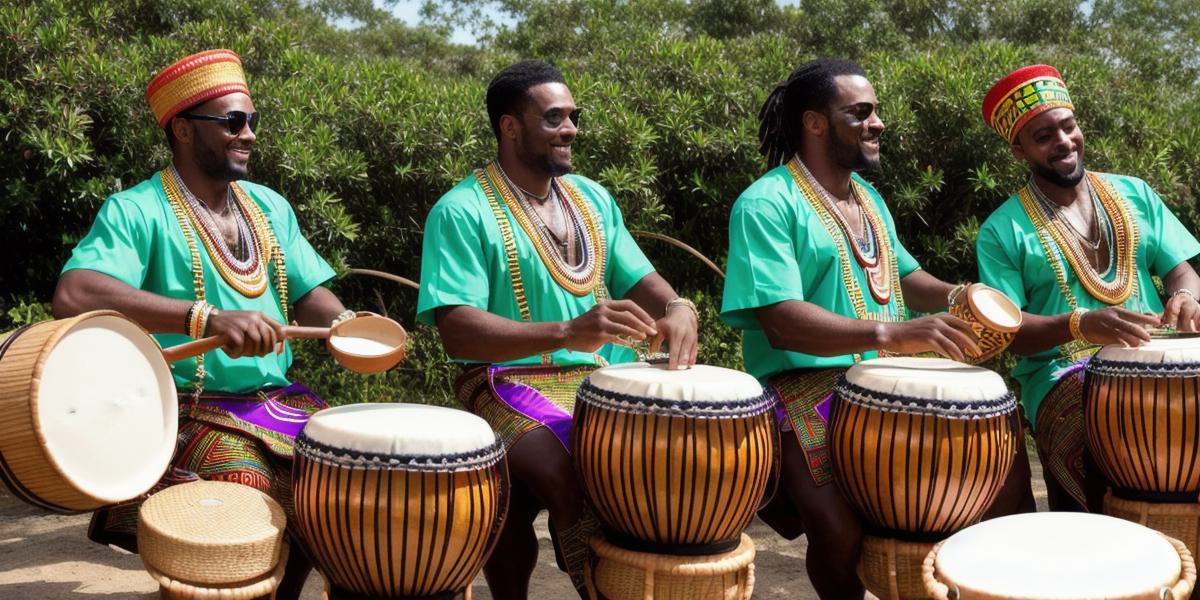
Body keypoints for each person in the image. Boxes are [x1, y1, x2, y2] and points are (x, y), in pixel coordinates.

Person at [719, 58, 1032, 599]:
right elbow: (781, 321)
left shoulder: (868, 199)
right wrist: (890, 335)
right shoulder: (767, 203)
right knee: (838, 528)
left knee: (1001, 476)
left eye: (876, 112)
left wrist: (961, 296)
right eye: (860, 112)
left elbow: (905, 276)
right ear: (816, 123)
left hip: (887, 382)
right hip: (802, 387)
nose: (877, 123)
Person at [52, 49, 355, 599]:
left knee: (350, 479)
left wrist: (349, 325)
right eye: (233, 122)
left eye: (252, 122)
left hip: (278, 400)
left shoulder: (269, 207)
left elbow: (311, 292)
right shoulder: (136, 210)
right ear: (186, 131)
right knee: (252, 488)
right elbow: (74, 292)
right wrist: (206, 317)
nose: (249, 135)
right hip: (186, 408)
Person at [417, 60, 699, 599]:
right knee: (574, 465)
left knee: (674, 457)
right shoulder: (460, 210)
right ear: (510, 126)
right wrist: (568, 331)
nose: (570, 128)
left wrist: (678, 306)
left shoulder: (592, 199)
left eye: (573, 116)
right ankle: (607, 589)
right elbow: (458, 332)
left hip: (601, 380)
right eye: (553, 118)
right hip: (502, 383)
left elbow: (642, 278)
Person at [976, 64, 1200, 512]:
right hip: (1062, 376)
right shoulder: (1001, 231)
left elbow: (1183, 269)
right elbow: (1008, 331)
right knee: (1110, 437)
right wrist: (1080, 324)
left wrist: (1184, 297)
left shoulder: (1134, 193)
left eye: (1068, 126)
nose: (1062, 142)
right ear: (1020, 151)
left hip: (1159, 356)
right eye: (1043, 136)